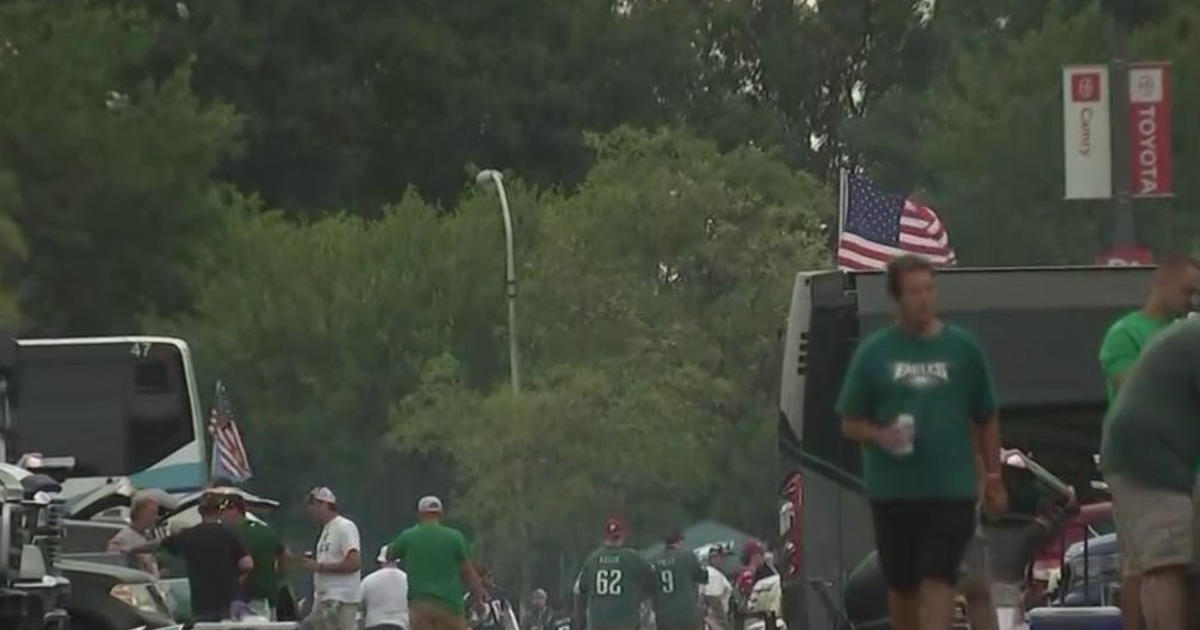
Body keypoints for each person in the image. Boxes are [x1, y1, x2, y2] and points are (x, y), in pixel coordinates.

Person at [837, 255, 1006, 630]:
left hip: (951, 487)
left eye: (929, 289)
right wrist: (881, 435)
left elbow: (986, 415)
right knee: (903, 587)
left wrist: (992, 476)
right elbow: (849, 422)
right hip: (894, 489)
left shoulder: (963, 350)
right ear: (897, 298)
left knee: (939, 574)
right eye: (914, 291)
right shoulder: (874, 354)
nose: (924, 299)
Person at [1097, 256, 1200, 630]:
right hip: (1144, 458)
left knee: (1181, 563)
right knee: (1164, 562)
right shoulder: (1137, 333)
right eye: (1187, 290)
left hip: (1175, 461)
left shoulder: (1181, 332)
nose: (1192, 299)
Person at [128, 492, 253, 622]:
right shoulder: (229, 535)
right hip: (229, 601)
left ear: (200, 511)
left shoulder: (188, 535)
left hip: (201, 601)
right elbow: (247, 564)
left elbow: (158, 544)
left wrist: (133, 549)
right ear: (219, 511)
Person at [388, 495, 486, 630]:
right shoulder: (455, 537)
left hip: (420, 604)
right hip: (451, 605)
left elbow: (390, 554)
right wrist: (479, 599)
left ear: (419, 514)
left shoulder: (409, 536)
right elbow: (468, 572)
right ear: (441, 514)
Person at [297, 486, 362, 630]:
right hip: (324, 597)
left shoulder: (345, 526)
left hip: (340, 598)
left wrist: (320, 567)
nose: (310, 510)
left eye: (313, 505)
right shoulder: (326, 530)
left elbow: (354, 562)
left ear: (325, 504)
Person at [574, 517, 654, 630]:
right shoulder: (631, 557)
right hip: (626, 623)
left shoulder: (592, 559)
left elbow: (579, 590)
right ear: (621, 536)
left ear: (605, 537)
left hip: (599, 624)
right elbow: (652, 578)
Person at [219, 492, 286, 620]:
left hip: (246, 601)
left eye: (223, 511)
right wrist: (278, 578)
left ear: (234, 510)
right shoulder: (266, 530)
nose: (221, 516)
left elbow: (245, 566)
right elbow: (285, 554)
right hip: (270, 599)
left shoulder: (234, 534)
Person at [651, 531, 707, 630]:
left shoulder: (654, 560)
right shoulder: (688, 556)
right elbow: (703, 577)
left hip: (664, 614)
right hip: (687, 612)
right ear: (679, 541)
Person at [107, 490, 161, 577]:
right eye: (152, 514)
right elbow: (113, 560)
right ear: (140, 513)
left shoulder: (147, 536)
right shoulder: (123, 538)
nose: (155, 518)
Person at [361, 544, 410, 630]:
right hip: (401, 625)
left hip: (373, 624)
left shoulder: (368, 580)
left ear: (380, 560)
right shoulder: (407, 579)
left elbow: (359, 603)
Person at [699, 550, 732, 630]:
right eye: (721, 557)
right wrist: (723, 625)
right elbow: (713, 601)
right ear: (712, 558)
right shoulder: (713, 574)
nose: (724, 560)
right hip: (714, 623)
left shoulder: (708, 573)